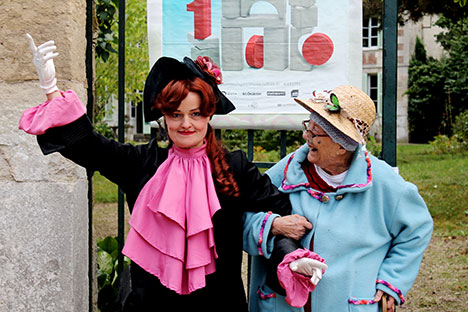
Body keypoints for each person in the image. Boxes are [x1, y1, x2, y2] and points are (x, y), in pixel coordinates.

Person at [19, 34, 311, 311]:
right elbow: (90, 147)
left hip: (218, 305)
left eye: (196, 114)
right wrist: (51, 88)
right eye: (176, 114)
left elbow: (280, 210)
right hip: (150, 304)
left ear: (209, 115)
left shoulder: (234, 166)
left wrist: (277, 233)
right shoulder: (142, 163)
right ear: (165, 117)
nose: (186, 124)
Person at [243, 85, 433, 312]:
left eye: (316, 133)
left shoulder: (383, 184)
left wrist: (392, 281)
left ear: (342, 145)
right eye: (308, 127)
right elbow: (243, 215)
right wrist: (272, 226)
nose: (306, 136)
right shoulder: (286, 172)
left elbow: (417, 230)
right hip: (282, 305)